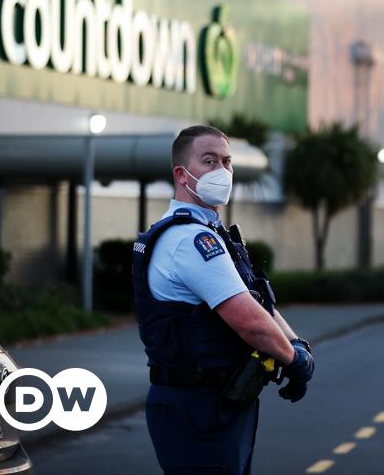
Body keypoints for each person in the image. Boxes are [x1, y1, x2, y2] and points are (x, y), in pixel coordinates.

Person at [131, 125, 314, 474]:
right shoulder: (191, 241)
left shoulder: (210, 233)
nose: (222, 171)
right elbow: (249, 321)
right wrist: (295, 361)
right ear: (182, 175)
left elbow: (258, 302)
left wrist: (294, 344)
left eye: (227, 162)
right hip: (197, 406)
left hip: (218, 401)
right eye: (209, 161)